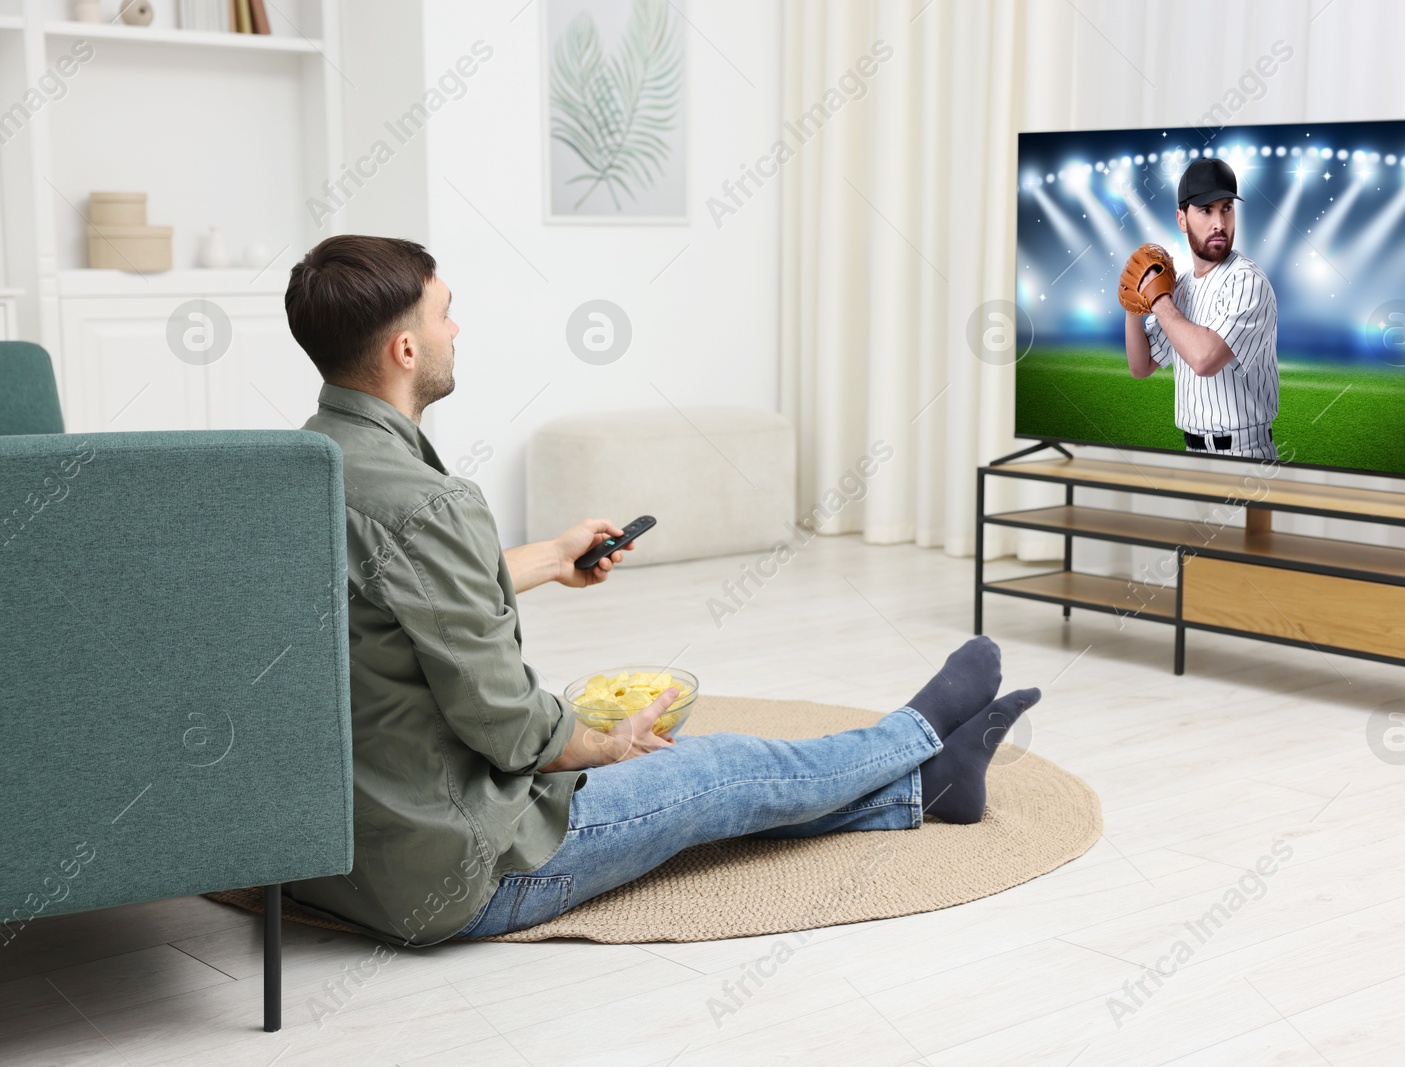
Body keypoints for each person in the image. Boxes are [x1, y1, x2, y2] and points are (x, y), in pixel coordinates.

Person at [281, 234, 1039, 946]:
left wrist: (551, 555)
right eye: (445, 314)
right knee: (712, 771)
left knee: (715, 797)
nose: (458, 328)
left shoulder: (296, 473)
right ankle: (914, 734)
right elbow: (508, 724)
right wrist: (608, 747)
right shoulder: (428, 503)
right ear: (405, 348)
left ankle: (935, 787)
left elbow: (397, 595)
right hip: (461, 872)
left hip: (336, 865)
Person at [1122, 157, 1280, 461]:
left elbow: (1204, 359)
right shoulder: (1178, 290)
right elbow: (1141, 368)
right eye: (1206, 210)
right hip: (1190, 454)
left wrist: (1157, 299)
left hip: (1245, 454)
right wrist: (1134, 301)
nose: (1219, 222)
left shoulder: (1247, 282)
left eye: (1227, 208)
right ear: (1182, 219)